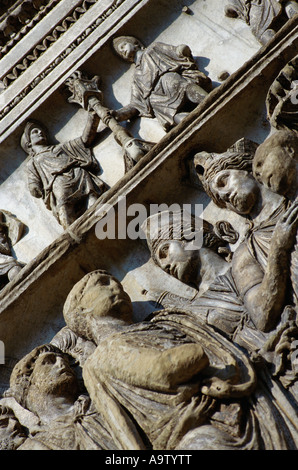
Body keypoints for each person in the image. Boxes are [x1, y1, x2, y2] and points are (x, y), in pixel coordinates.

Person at [61, 269, 298, 451]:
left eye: (117, 282)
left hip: (244, 405)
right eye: (102, 284)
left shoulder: (163, 322)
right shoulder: (103, 356)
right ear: (81, 310)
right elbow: (164, 371)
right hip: (203, 436)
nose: (116, 286)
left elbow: (221, 358)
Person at [194, 137, 298, 333]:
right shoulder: (245, 253)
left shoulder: (293, 197)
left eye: (223, 181)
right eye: (219, 198)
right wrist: (278, 249)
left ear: (247, 169)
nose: (223, 195)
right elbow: (262, 317)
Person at [4, 343, 117, 450]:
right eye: (49, 361)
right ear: (27, 382)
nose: (62, 363)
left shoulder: (102, 401)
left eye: (65, 361)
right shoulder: (36, 446)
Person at [21, 113, 107, 229]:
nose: (40, 132)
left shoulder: (60, 148)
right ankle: (71, 233)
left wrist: (93, 117)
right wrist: (34, 187)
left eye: (41, 131)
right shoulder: (33, 162)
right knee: (64, 206)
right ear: (28, 143)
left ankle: (103, 216)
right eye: (34, 132)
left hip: (78, 173)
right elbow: (33, 181)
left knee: (92, 197)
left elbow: (84, 140)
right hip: (58, 183)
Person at [112, 36, 212, 132]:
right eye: (121, 53)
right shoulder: (136, 77)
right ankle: (193, 126)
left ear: (135, 44)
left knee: (172, 81)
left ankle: (210, 102)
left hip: (170, 81)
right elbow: (136, 104)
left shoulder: (153, 49)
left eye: (123, 46)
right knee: (163, 109)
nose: (122, 51)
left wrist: (181, 51)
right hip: (158, 100)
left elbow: (175, 52)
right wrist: (118, 114)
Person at [225, 0, 298, 45]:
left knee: (287, 3)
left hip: (259, 6)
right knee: (259, 32)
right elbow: (233, 8)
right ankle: (279, 47)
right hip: (253, 8)